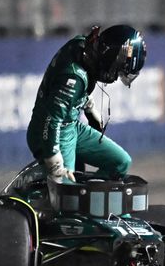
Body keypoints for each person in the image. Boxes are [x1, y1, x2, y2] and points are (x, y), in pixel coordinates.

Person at [27, 25, 147, 183]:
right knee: (66, 194)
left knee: (121, 163)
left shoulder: (82, 46)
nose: (115, 77)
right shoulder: (74, 78)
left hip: (71, 126)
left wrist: (88, 106)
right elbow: (52, 120)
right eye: (117, 70)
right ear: (110, 56)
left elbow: (61, 86)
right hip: (51, 132)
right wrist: (54, 162)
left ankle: (87, 200)